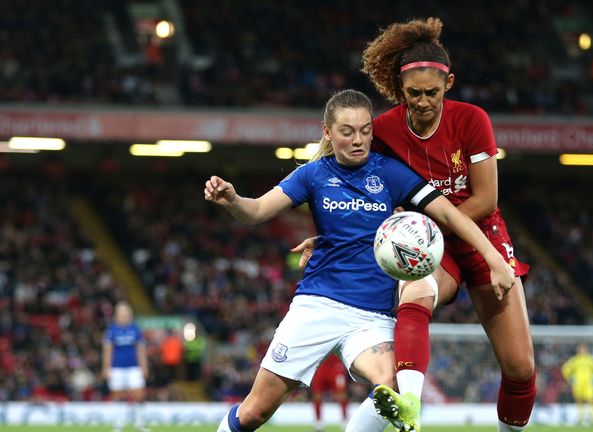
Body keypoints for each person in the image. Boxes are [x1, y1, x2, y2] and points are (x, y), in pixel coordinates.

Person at [208, 89, 516, 432]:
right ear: (328, 133)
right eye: (347, 131)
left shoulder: (391, 173)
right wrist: (233, 199)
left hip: (372, 317)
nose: (358, 140)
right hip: (318, 306)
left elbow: (452, 215)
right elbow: (257, 211)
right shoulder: (312, 175)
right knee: (255, 412)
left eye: (366, 131)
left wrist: (493, 258)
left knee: (394, 386)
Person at [294, 18, 535, 432]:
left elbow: (486, 199)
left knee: (520, 368)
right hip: (422, 244)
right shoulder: (384, 129)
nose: (423, 103)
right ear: (399, 90)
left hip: (479, 238)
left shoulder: (472, 120)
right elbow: (337, 178)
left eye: (432, 93)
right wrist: (333, 233)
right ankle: (408, 405)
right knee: (415, 295)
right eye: (413, 94)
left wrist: (429, 230)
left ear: (449, 84)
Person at [102, 301, 150, 432]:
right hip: (117, 368)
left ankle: (140, 425)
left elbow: (141, 349)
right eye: (121, 313)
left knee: (139, 394)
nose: (124, 316)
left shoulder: (135, 329)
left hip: (134, 367)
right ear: (117, 315)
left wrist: (144, 366)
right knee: (117, 396)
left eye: (126, 313)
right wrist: (106, 368)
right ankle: (118, 425)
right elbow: (108, 350)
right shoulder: (112, 330)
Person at [561, 343, 593, 425]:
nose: (582, 350)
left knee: (592, 400)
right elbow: (565, 369)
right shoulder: (574, 360)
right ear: (577, 350)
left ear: (587, 349)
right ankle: (581, 419)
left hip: (589, 384)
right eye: (580, 349)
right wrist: (570, 378)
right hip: (578, 384)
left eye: (584, 348)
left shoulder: (591, 359)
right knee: (580, 401)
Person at [310, 355, 349, 431]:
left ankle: (345, 421)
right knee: (317, 395)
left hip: (336, 367)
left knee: (342, 395)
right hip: (321, 367)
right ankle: (318, 422)